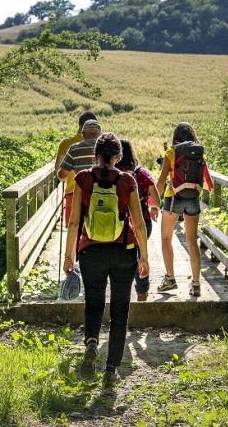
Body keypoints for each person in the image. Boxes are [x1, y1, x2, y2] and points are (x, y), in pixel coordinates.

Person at [63, 133, 149, 386]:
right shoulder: (127, 180)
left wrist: (69, 256)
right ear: (118, 156)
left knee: (94, 302)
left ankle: (91, 342)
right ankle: (111, 370)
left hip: (91, 251)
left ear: (95, 155)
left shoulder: (83, 178)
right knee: (120, 311)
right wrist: (144, 256)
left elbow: (74, 221)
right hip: (124, 250)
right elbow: (140, 224)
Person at [155, 122, 212, 297]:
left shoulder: (171, 152)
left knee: (166, 238)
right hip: (193, 200)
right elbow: (210, 185)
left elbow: (162, 180)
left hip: (173, 199)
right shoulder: (199, 153)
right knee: (192, 241)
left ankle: (170, 279)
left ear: (176, 137)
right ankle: (195, 284)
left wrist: (152, 202)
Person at [116, 139, 161, 301]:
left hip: (118, 223)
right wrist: (151, 206)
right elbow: (156, 201)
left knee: (123, 257)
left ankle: (121, 294)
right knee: (140, 253)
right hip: (142, 221)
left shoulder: (111, 173)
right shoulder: (142, 173)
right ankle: (142, 292)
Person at [55, 111, 98, 227]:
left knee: (73, 229)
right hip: (99, 192)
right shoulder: (103, 145)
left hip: (72, 191)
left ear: (80, 126)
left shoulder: (67, 144)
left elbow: (58, 168)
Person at [57, 118, 100, 189]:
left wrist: (59, 175)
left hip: (79, 193)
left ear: (82, 134)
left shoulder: (74, 149)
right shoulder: (107, 147)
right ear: (100, 134)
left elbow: (62, 175)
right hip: (103, 195)